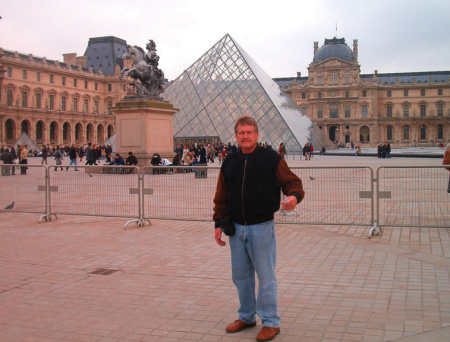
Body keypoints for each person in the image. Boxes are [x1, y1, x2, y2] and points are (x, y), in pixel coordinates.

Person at [213, 115, 304, 342]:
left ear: (256, 134)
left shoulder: (272, 158)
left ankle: (271, 322)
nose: (245, 136)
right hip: (235, 227)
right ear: (235, 136)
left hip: (261, 226)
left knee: (265, 277)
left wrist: (293, 197)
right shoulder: (230, 161)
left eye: (249, 132)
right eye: (241, 133)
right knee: (241, 277)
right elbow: (221, 195)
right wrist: (218, 221)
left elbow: (292, 183)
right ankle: (246, 316)